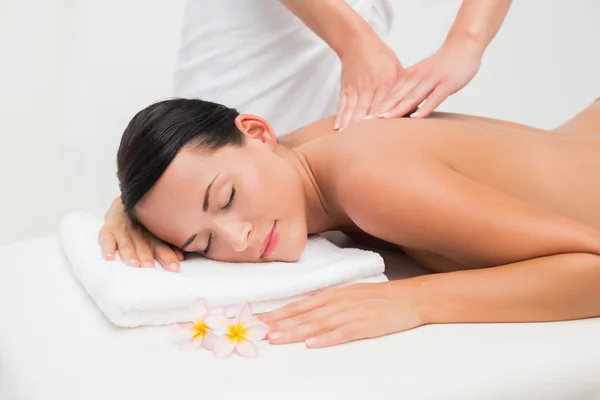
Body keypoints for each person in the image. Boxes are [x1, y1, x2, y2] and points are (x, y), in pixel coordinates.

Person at [113, 95, 600, 348]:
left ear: (258, 133)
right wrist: (130, 211)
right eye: (202, 242)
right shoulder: (305, 153)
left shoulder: (370, 181)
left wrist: (416, 301)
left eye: (228, 198)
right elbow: (185, 177)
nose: (238, 238)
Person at [100, 0, 512, 269]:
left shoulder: (362, 173)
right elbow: (194, 164)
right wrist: (147, 203)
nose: (233, 239)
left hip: (308, 152)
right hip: (224, 140)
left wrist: (467, 43)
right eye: (202, 245)